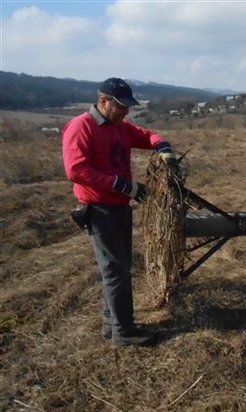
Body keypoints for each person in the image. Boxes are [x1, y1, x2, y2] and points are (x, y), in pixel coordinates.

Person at [62, 77, 176, 346]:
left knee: (118, 267)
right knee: (115, 270)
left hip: (119, 207)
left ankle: (111, 325)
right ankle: (124, 332)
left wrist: (162, 147)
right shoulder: (81, 127)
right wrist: (121, 185)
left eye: (128, 107)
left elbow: (146, 135)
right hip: (100, 209)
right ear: (103, 101)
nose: (126, 112)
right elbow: (75, 170)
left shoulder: (119, 127)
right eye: (121, 106)